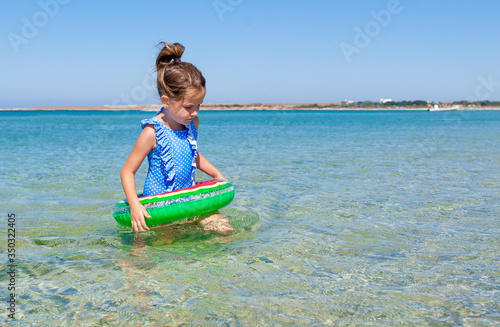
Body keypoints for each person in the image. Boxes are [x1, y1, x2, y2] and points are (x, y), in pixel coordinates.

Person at [120, 42, 234, 235]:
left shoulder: (192, 123)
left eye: (199, 105)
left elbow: (192, 154)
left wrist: (216, 174)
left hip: (187, 197)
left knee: (224, 229)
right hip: (160, 204)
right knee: (165, 248)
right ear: (166, 101)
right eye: (189, 107)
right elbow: (127, 171)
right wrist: (135, 205)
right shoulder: (152, 132)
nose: (195, 112)